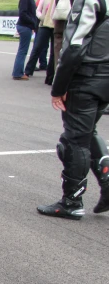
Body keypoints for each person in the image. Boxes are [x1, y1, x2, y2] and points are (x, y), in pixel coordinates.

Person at [37, 0, 109, 219]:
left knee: (74, 141)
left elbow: (74, 45)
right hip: (104, 77)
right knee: (87, 133)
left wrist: (59, 86)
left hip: (86, 77)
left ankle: (72, 201)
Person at [23, 0, 54, 77]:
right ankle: (28, 71)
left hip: (56, 26)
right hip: (44, 25)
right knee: (37, 47)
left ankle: (51, 74)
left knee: (54, 51)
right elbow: (38, 10)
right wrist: (41, 17)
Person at [11, 0, 36, 79]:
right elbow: (23, 13)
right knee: (23, 50)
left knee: (22, 50)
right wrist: (33, 23)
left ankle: (18, 72)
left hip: (26, 25)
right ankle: (18, 73)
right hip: (25, 26)